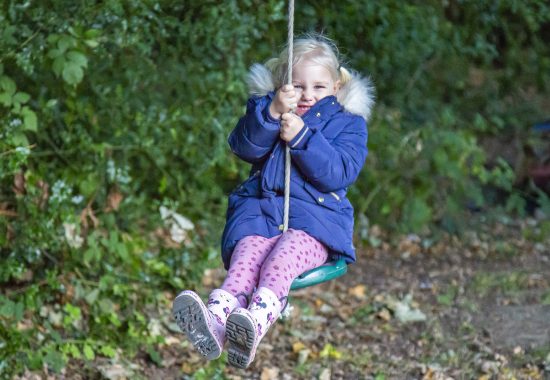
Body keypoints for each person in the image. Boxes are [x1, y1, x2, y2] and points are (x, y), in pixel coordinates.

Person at [172, 34, 374, 369]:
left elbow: (339, 172)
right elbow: (243, 147)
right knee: (245, 259)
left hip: (314, 224)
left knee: (280, 261)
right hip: (262, 214)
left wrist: (303, 138)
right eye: (298, 85)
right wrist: (271, 113)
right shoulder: (268, 110)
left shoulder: (348, 125)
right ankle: (216, 320)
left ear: (336, 87)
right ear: (282, 84)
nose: (308, 95)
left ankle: (255, 323)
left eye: (319, 87)